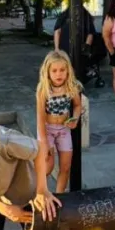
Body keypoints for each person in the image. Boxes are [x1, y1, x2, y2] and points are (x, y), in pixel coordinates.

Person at [36, 51, 82, 193]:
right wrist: (44, 143)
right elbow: (40, 118)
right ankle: (39, 193)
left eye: (62, 70)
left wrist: (75, 118)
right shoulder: (43, 90)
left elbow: (77, 105)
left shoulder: (71, 87)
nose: (58, 74)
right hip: (47, 130)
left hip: (63, 130)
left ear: (68, 70)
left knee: (66, 166)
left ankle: (59, 196)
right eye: (54, 71)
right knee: (47, 166)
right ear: (47, 72)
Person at [53, 2, 95, 78]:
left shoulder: (86, 17)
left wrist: (86, 47)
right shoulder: (64, 16)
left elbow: (90, 33)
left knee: (77, 68)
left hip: (80, 47)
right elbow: (57, 31)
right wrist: (56, 48)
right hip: (65, 47)